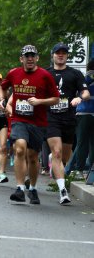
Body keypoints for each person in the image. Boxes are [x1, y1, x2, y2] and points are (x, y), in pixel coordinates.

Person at [0, 45, 59, 205]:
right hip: (19, 119)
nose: (30, 58)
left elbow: (56, 98)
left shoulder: (45, 75)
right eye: (27, 56)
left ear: (37, 58)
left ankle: (32, 188)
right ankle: (19, 188)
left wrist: (40, 101)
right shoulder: (14, 73)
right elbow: (2, 88)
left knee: (32, 157)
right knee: (19, 149)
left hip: (38, 122)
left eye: (33, 56)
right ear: (21, 59)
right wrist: (2, 100)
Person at [46, 43, 89, 204]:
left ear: (67, 56)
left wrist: (80, 97)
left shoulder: (75, 73)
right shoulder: (46, 73)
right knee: (56, 153)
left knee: (63, 156)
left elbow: (85, 91)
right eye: (58, 53)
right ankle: (63, 192)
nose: (61, 55)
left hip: (69, 118)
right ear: (53, 55)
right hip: (51, 118)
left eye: (64, 53)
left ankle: (55, 164)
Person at [71, 60, 94, 182]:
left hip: (83, 113)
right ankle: (90, 170)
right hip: (88, 113)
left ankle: (79, 170)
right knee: (90, 144)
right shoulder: (88, 76)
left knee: (81, 143)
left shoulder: (84, 78)